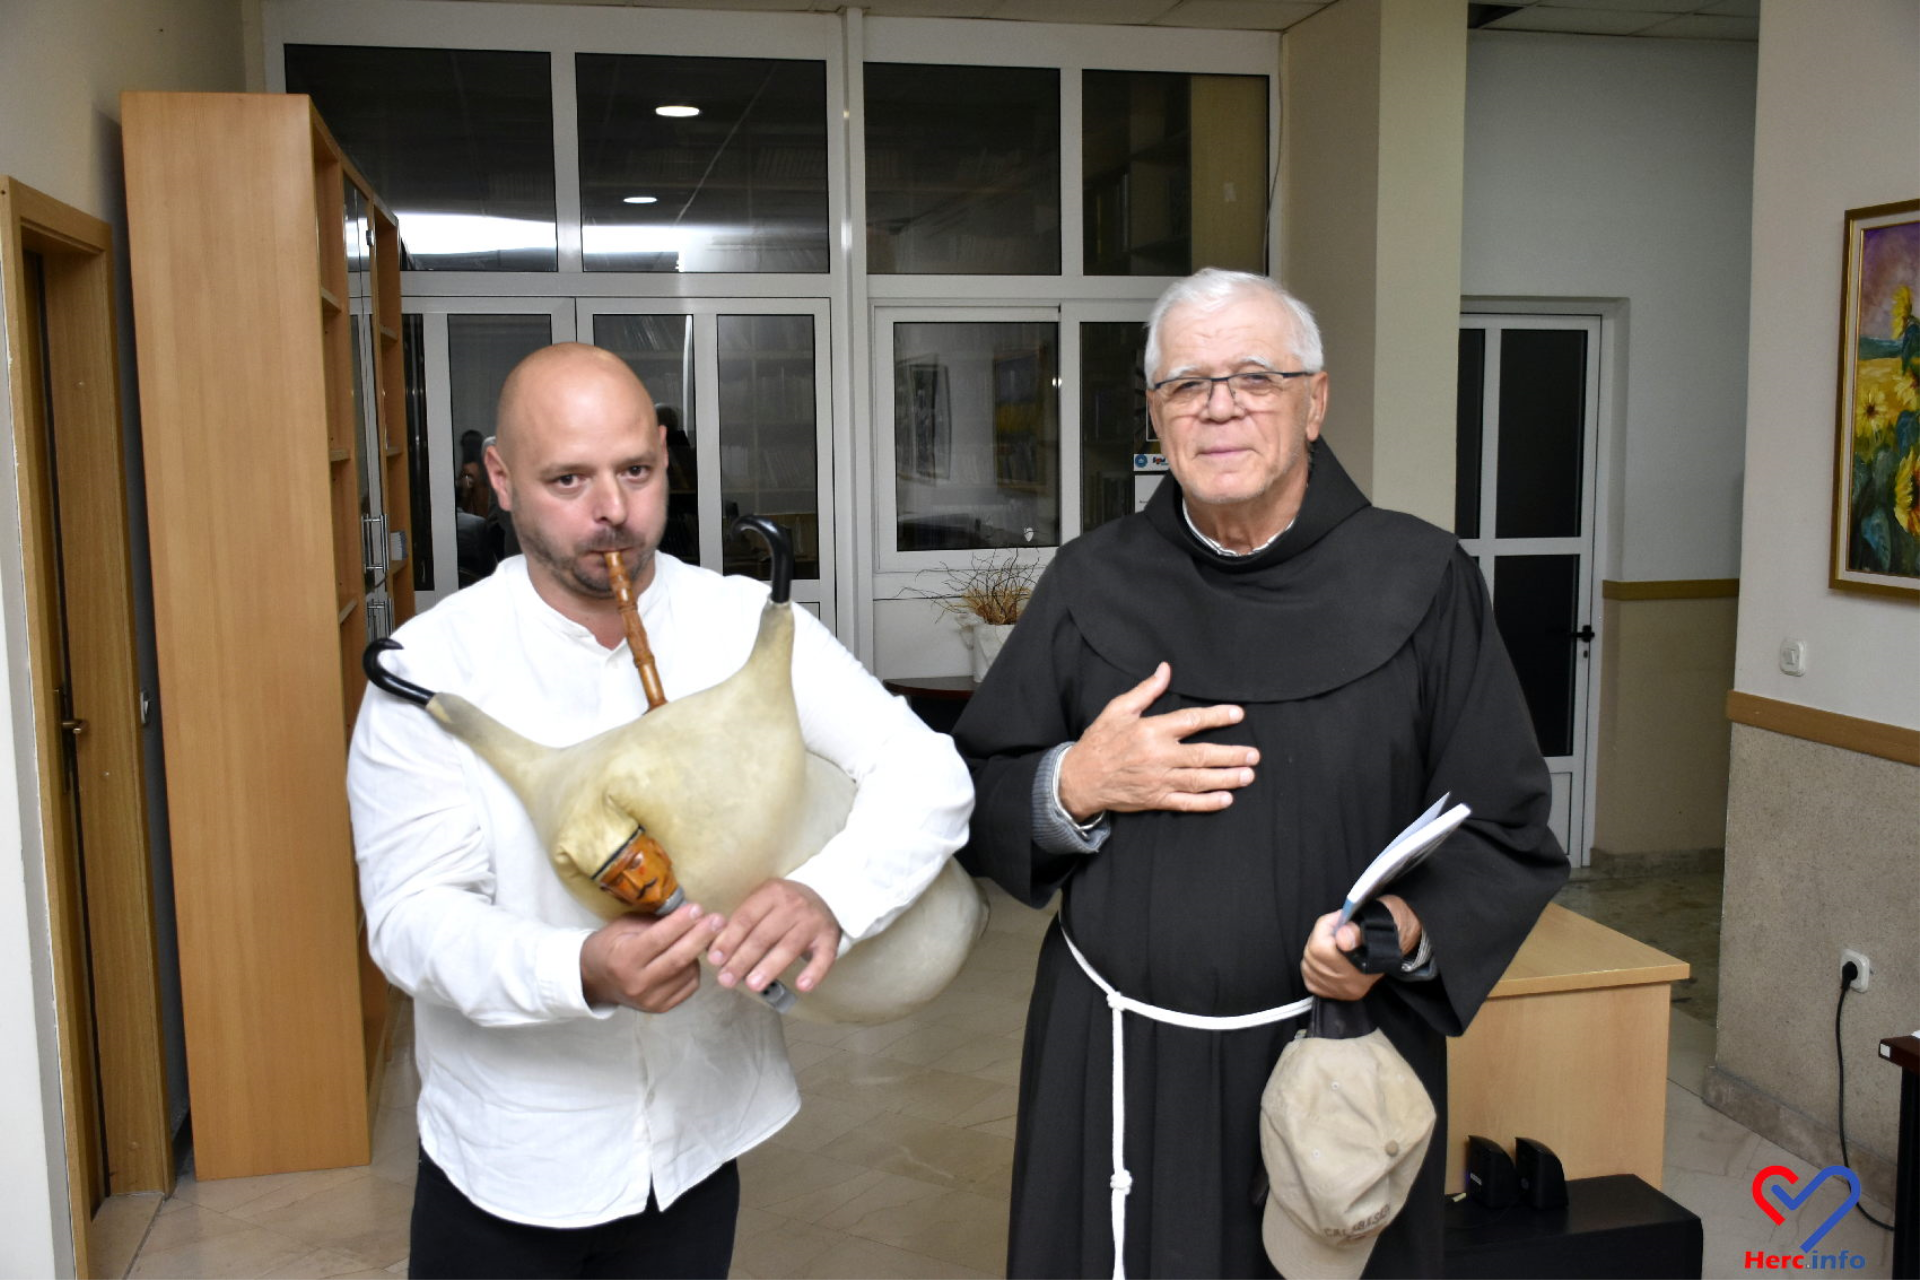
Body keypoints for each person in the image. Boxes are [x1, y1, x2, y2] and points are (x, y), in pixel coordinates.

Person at [953, 268, 1568, 1280]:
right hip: (1117, 1056)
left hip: (1335, 1053)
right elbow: (973, 791)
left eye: (1254, 377)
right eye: (1187, 384)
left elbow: (1503, 827)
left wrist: (1401, 932)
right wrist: (1074, 783)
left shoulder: (1422, 580)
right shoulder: (1090, 579)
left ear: (1314, 402)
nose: (1220, 405)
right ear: (1157, 414)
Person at [347, 342, 972, 1279]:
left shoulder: (743, 623)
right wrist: (581, 971)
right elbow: (411, 920)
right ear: (501, 480)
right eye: (568, 479)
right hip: (508, 1159)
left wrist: (830, 895)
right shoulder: (429, 672)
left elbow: (926, 772)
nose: (612, 509)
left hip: (696, 1146)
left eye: (636, 471)